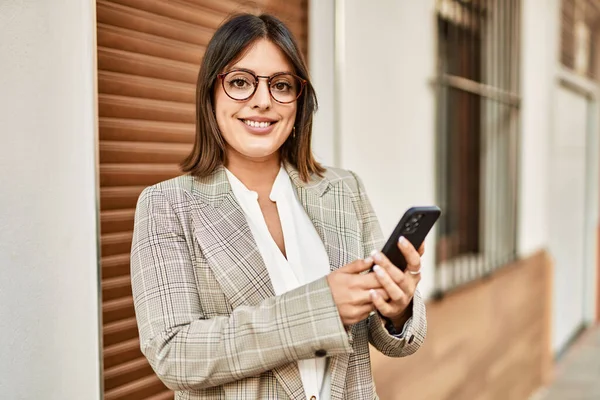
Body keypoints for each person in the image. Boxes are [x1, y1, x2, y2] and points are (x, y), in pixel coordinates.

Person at [130, 13, 427, 400]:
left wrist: (398, 305)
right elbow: (173, 354)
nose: (263, 101)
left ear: (298, 101)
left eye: (281, 85)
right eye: (240, 82)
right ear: (210, 93)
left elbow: (393, 341)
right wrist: (321, 309)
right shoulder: (167, 205)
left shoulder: (343, 189)